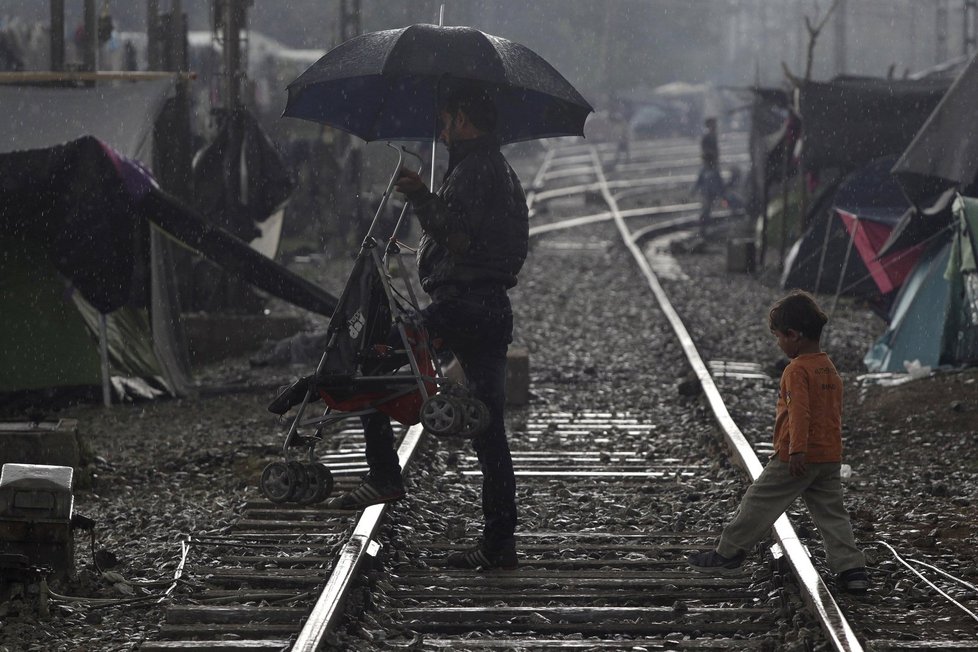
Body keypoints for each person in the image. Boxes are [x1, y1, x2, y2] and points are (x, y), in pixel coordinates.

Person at [326, 83, 529, 572]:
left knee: (369, 357)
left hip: (460, 306)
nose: (440, 129)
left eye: (445, 119)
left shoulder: (476, 170)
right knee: (489, 431)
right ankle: (499, 542)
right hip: (488, 309)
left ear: (463, 118)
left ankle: (384, 474)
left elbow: (456, 236)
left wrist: (419, 194)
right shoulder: (498, 170)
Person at [687, 290, 869, 594]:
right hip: (828, 456)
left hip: (795, 456)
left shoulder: (796, 370)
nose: (779, 344)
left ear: (794, 335)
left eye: (779, 338)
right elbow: (831, 413)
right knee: (832, 514)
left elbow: (800, 412)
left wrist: (797, 449)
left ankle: (729, 551)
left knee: (758, 500)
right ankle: (852, 570)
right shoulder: (829, 368)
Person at [693, 116, 724, 236]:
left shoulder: (712, 136)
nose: (715, 127)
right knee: (707, 204)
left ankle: (705, 228)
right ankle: (703, 229)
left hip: (712, 166)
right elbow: (707, 152)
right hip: (710, 168)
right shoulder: (707, 137)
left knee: (709, 204)